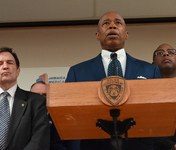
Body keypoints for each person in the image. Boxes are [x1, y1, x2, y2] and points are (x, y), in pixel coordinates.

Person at [65, 11, 162, 150]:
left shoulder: (149, 70)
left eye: (118, 23)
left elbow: (159, 113)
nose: (112, 26)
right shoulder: (77, 71)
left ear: (126, 34)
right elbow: (69, 116)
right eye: (106, 23)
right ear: (97, 35)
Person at [0, 47, 50, 150]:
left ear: (18, 71)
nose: (5, 66)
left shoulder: (36, 102)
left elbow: (39, 139)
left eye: (10, 63)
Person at [30, 80, 80, 150]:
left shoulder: (62, 120)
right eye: (36, 95)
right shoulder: (21, 117)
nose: (41, 98)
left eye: (44, 95)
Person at [152, 43, 176, 150]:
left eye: (171, 52)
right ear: (152, 64)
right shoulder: (145, 91)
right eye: (160, 53)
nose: (166, 54)